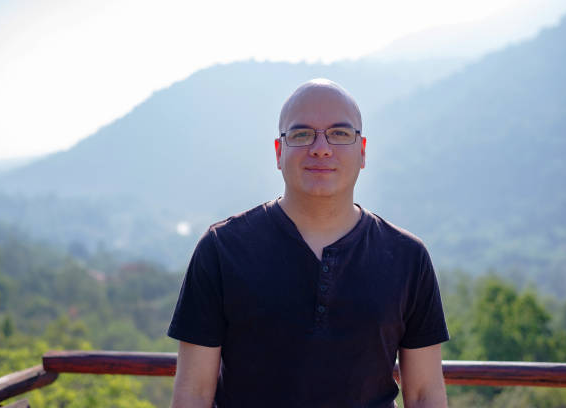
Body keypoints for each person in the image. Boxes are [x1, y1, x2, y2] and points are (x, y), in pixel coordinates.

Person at [167, 79, 449, 408]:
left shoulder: (407, 258)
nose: (320, 147)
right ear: (278, 152)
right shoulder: (221, 249)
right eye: (302, 134)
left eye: (340, 133)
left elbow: (424, 393)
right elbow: (194, 393)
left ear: (362, 151)